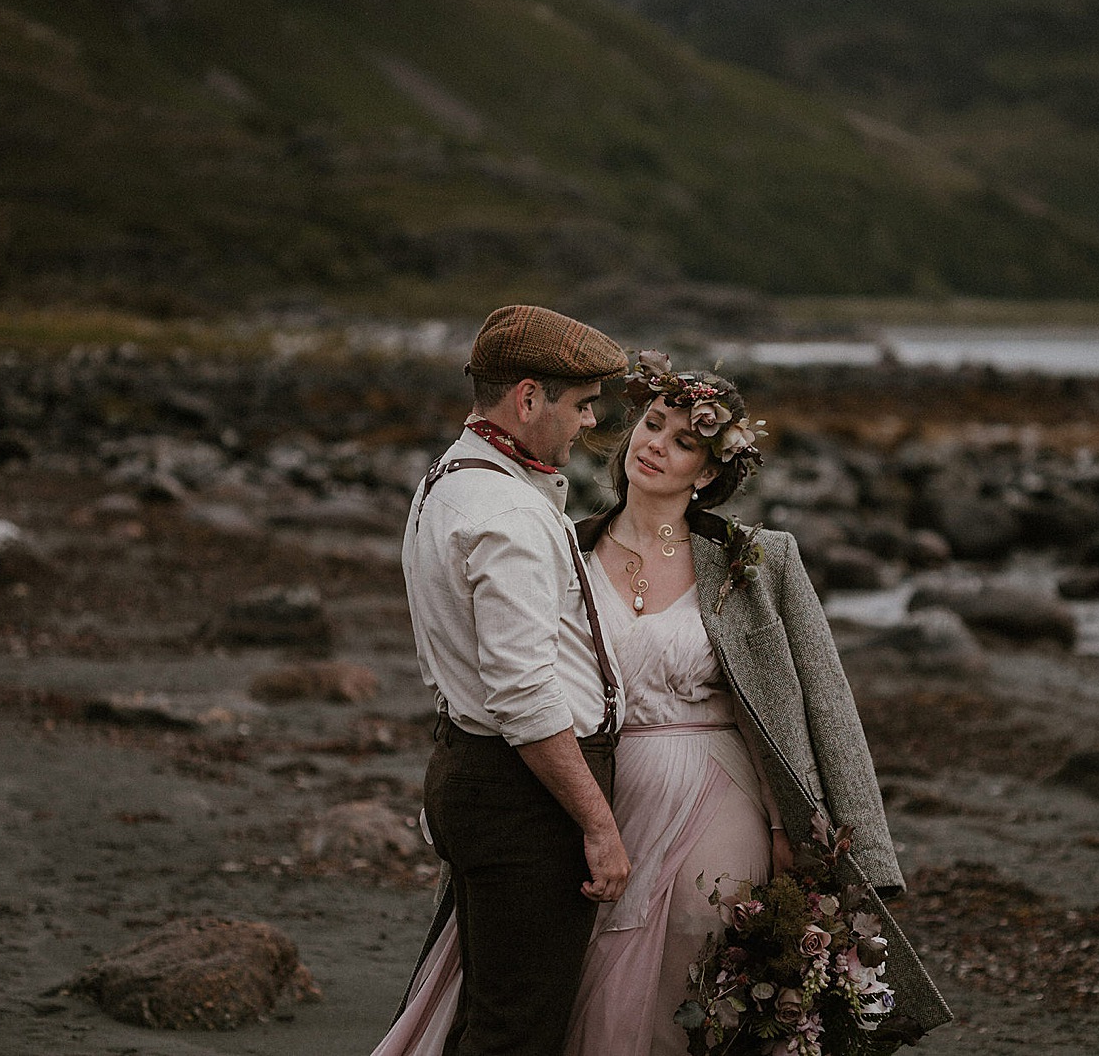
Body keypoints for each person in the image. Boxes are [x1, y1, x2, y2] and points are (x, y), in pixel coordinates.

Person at [562, 350, 952, 1053]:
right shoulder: (566, 551)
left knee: (700, 955)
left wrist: (795, 826)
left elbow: (821, 701)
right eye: (652, 424)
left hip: (720, 785)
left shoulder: (757, 559)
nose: (656, 445)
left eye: (684, 441)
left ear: (707, 473)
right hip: (602, 787)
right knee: (591, 959)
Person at [381, 305, 632, 1056]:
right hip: (524, 792)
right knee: (519, 1029)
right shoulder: (508, 515)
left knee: (488, 1011)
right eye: (581, 403)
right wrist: (597, 823)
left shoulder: (448, 479)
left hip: (478, 769)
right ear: (528, 398)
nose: (590, 421)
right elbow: (523, 697)